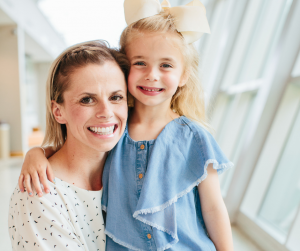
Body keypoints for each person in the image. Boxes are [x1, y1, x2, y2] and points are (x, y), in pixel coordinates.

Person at [17, 0, 234, 250]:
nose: (152, 74)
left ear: (184, 75)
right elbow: (74, 151)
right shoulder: (113, 129)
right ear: (125, 70)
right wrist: (36, 154)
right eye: (140, 63)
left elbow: (214, 207)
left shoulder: (194, 137)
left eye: (166, 65)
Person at [8, 40, 129, 250]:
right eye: (87, 100)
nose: (107, 112)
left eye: (116, 97)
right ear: (58, 111)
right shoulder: (39, 194)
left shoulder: (133, 171)